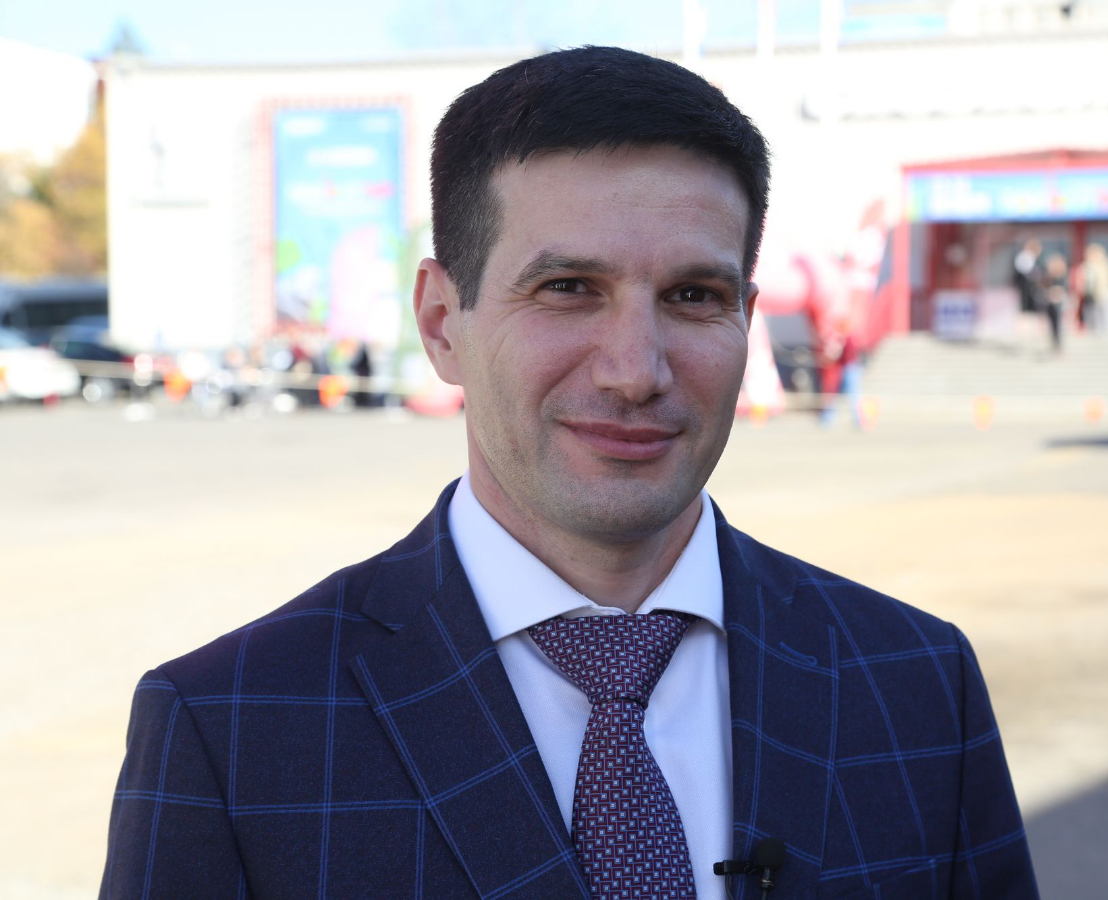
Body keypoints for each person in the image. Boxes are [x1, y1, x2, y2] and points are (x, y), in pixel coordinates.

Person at [99, 47, 1038, 900]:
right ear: (441, 324)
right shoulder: (232, 731)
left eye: (693, 296)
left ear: (746, 321)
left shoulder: (918, 683)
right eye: (568, 289)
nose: (636, 370)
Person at [1078, 243, 1108, 331]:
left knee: (1101, 313)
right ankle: (1092, 329)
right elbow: (1082, 280)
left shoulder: (1104, 265)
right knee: (1090, 313)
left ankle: (1102, 330)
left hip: (1101, 294)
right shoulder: (1086, 266)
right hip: (1089, 295)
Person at [1042, 253, 1070, 353]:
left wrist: (1055, 291)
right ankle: (1054, 344)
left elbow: (1064, 289)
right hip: (1050, 303)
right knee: (1052, 325)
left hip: (1058, 302)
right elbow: (1044, 287)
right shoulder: (1049, 277)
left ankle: (1058, 345)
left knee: (1058, 324)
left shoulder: (1062, 277)